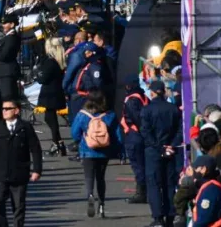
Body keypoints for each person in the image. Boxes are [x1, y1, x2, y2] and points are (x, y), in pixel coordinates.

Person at [0, 98, 43, 227]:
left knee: (18, 206)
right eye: (3, 108)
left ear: (16, 110)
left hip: (19, 173)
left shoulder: (25, 127)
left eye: (8, 108)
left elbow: (35, 149)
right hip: (0, 173)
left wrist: (37, 170)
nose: (4, 111)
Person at [70, 91, 121, 218]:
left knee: (89, 176)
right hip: (104, 150)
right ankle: (102, 204)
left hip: (87, 149)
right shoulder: (110, 115)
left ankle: (90, 195)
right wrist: (119, 149)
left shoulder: (82, 115)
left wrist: (81, 140)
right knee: (101, 177)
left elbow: (75, 133)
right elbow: (117, 134)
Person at [141, 79, 182, 227]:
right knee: (169, 183)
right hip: (171, 150)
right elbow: (179, 130)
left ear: (152, 93)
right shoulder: (173, 109)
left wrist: (159, 147)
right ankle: (171, 214)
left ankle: (158, 217)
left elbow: (146, 132)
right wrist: (170, 145)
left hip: (153, 151)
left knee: (153, 184)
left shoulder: (147, 110)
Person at [36, 37, 68, 157]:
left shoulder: (50, 62)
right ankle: (59, 142)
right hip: (56, 92)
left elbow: (42, 78)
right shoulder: (58, 61)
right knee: (50, 118)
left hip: (50, 93)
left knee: (50, 118)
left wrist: (38, 75)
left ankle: (57, 143)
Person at [122, 76, 150, 204]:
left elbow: (137, 118)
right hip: (140, 135)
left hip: (135, 135)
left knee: (138, 165)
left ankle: (141, 193)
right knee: (143, 164)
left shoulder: (132, 100)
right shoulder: (143, 97)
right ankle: (144, 191)